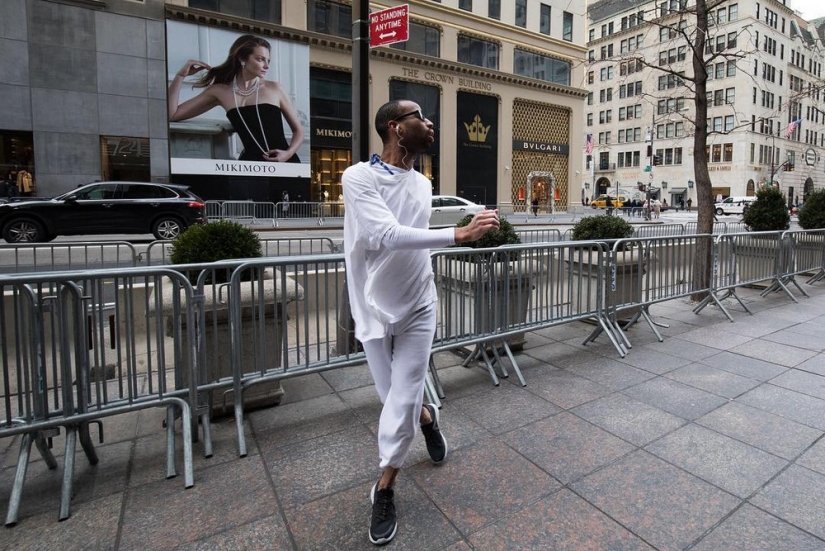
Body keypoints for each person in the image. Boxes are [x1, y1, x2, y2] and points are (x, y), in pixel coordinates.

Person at [342, 100, 499, 545]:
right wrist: (459, 234)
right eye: (420, 118)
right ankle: (427, 420)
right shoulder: (357, 177)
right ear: (395, 127)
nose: (430, 124)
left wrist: (466, 232)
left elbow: (412, 243)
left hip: (418, 304)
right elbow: (384, 235)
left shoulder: (423, 183)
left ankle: (385, 487)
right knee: (393, 397)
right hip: (372, 307)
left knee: (405, 390)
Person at [168, 34, 304, 163]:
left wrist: (288, 153)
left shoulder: (275, 89)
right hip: (249, 166)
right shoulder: (220, 91)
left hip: (286, 163)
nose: (266, 66)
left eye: (268, 60)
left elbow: (298, 131)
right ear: (242, 59)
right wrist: (180, 76)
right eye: (260, 59)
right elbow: (172, 115)